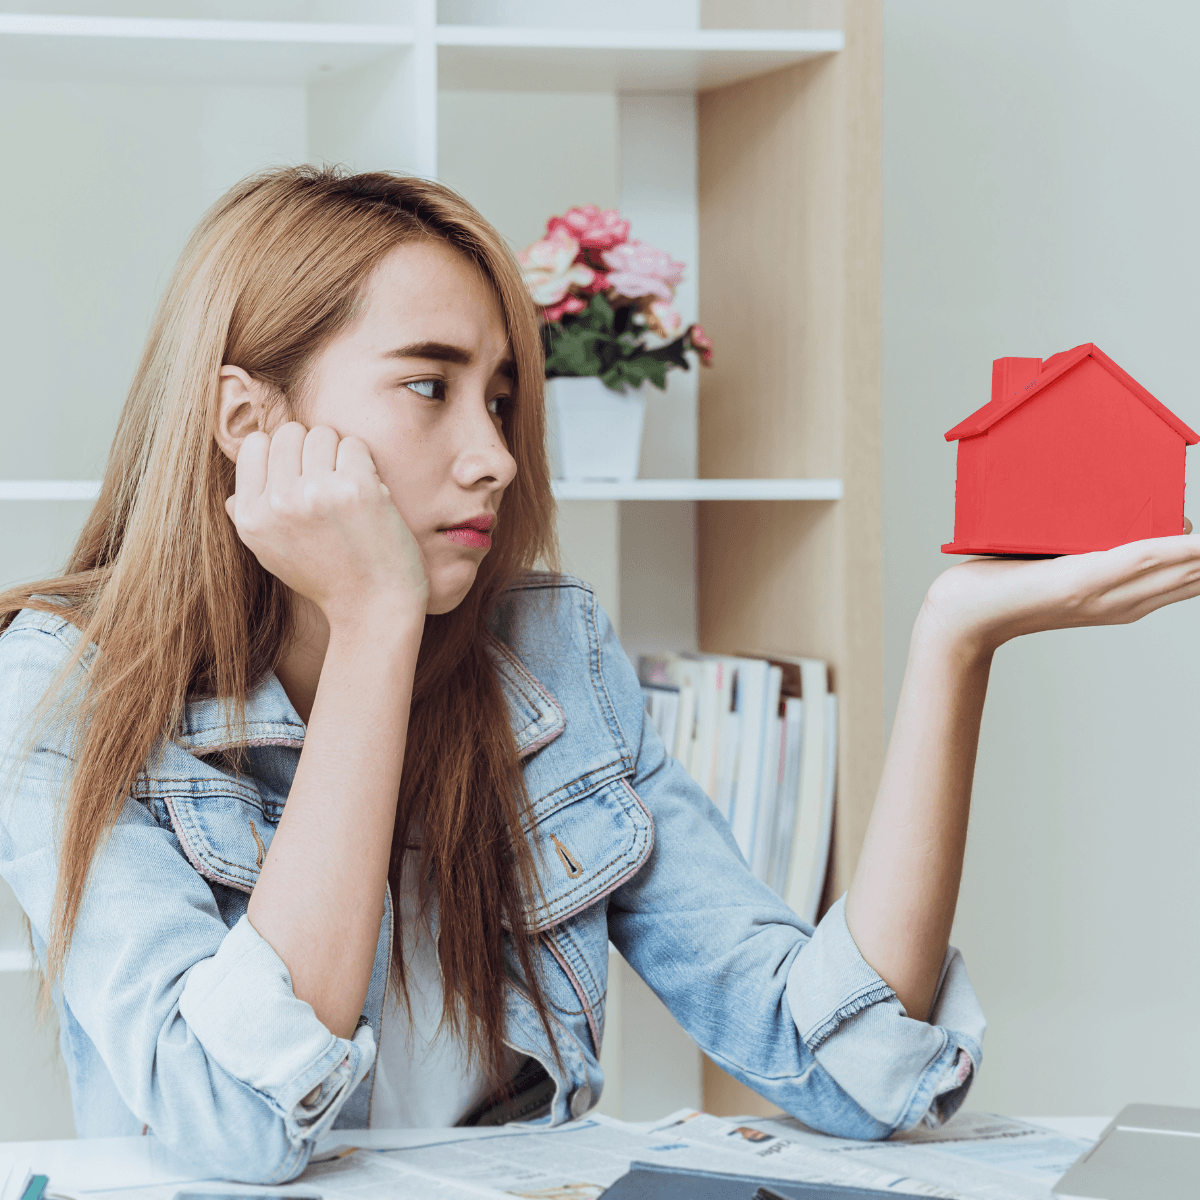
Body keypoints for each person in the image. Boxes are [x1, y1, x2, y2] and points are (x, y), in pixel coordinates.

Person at [2, 167, 1199, 1184]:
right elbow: (233, 1121)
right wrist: (374, 623)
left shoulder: (549, 658)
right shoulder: (64, 689)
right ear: (246, 421)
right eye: (429, 387)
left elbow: (845, 1066)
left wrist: (954, 644)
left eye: (504, 399)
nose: (492, 459)